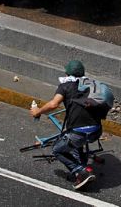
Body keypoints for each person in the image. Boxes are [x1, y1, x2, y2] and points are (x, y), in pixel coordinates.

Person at [30, 60, 102, 190]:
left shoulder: (65, 86)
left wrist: (37, 111)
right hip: (96, 131)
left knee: (57, 150)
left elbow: (53, 104)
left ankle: (81, 171)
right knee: (76, 144)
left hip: (78, 132)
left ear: (67, 73)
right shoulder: (91, 86)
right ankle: (82, 170)